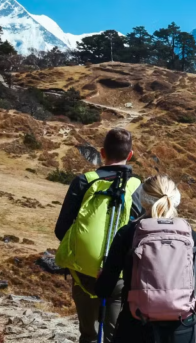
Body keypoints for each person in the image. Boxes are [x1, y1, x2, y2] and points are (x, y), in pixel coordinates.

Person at [94, 175, 196, 342]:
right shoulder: (190, 235)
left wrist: (101, 280)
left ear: (142, 199)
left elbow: (104, 289)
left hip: (136, 326)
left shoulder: (128, 233)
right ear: (176, 199)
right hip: (181, 328)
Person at [54, 128, 143, 343]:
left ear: (102, 152)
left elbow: (61, 229)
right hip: (120, 276)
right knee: (116, 335)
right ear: (129, 155)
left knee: (89, 334)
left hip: (83, 272)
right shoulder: (137, 186)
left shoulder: (84, 181)